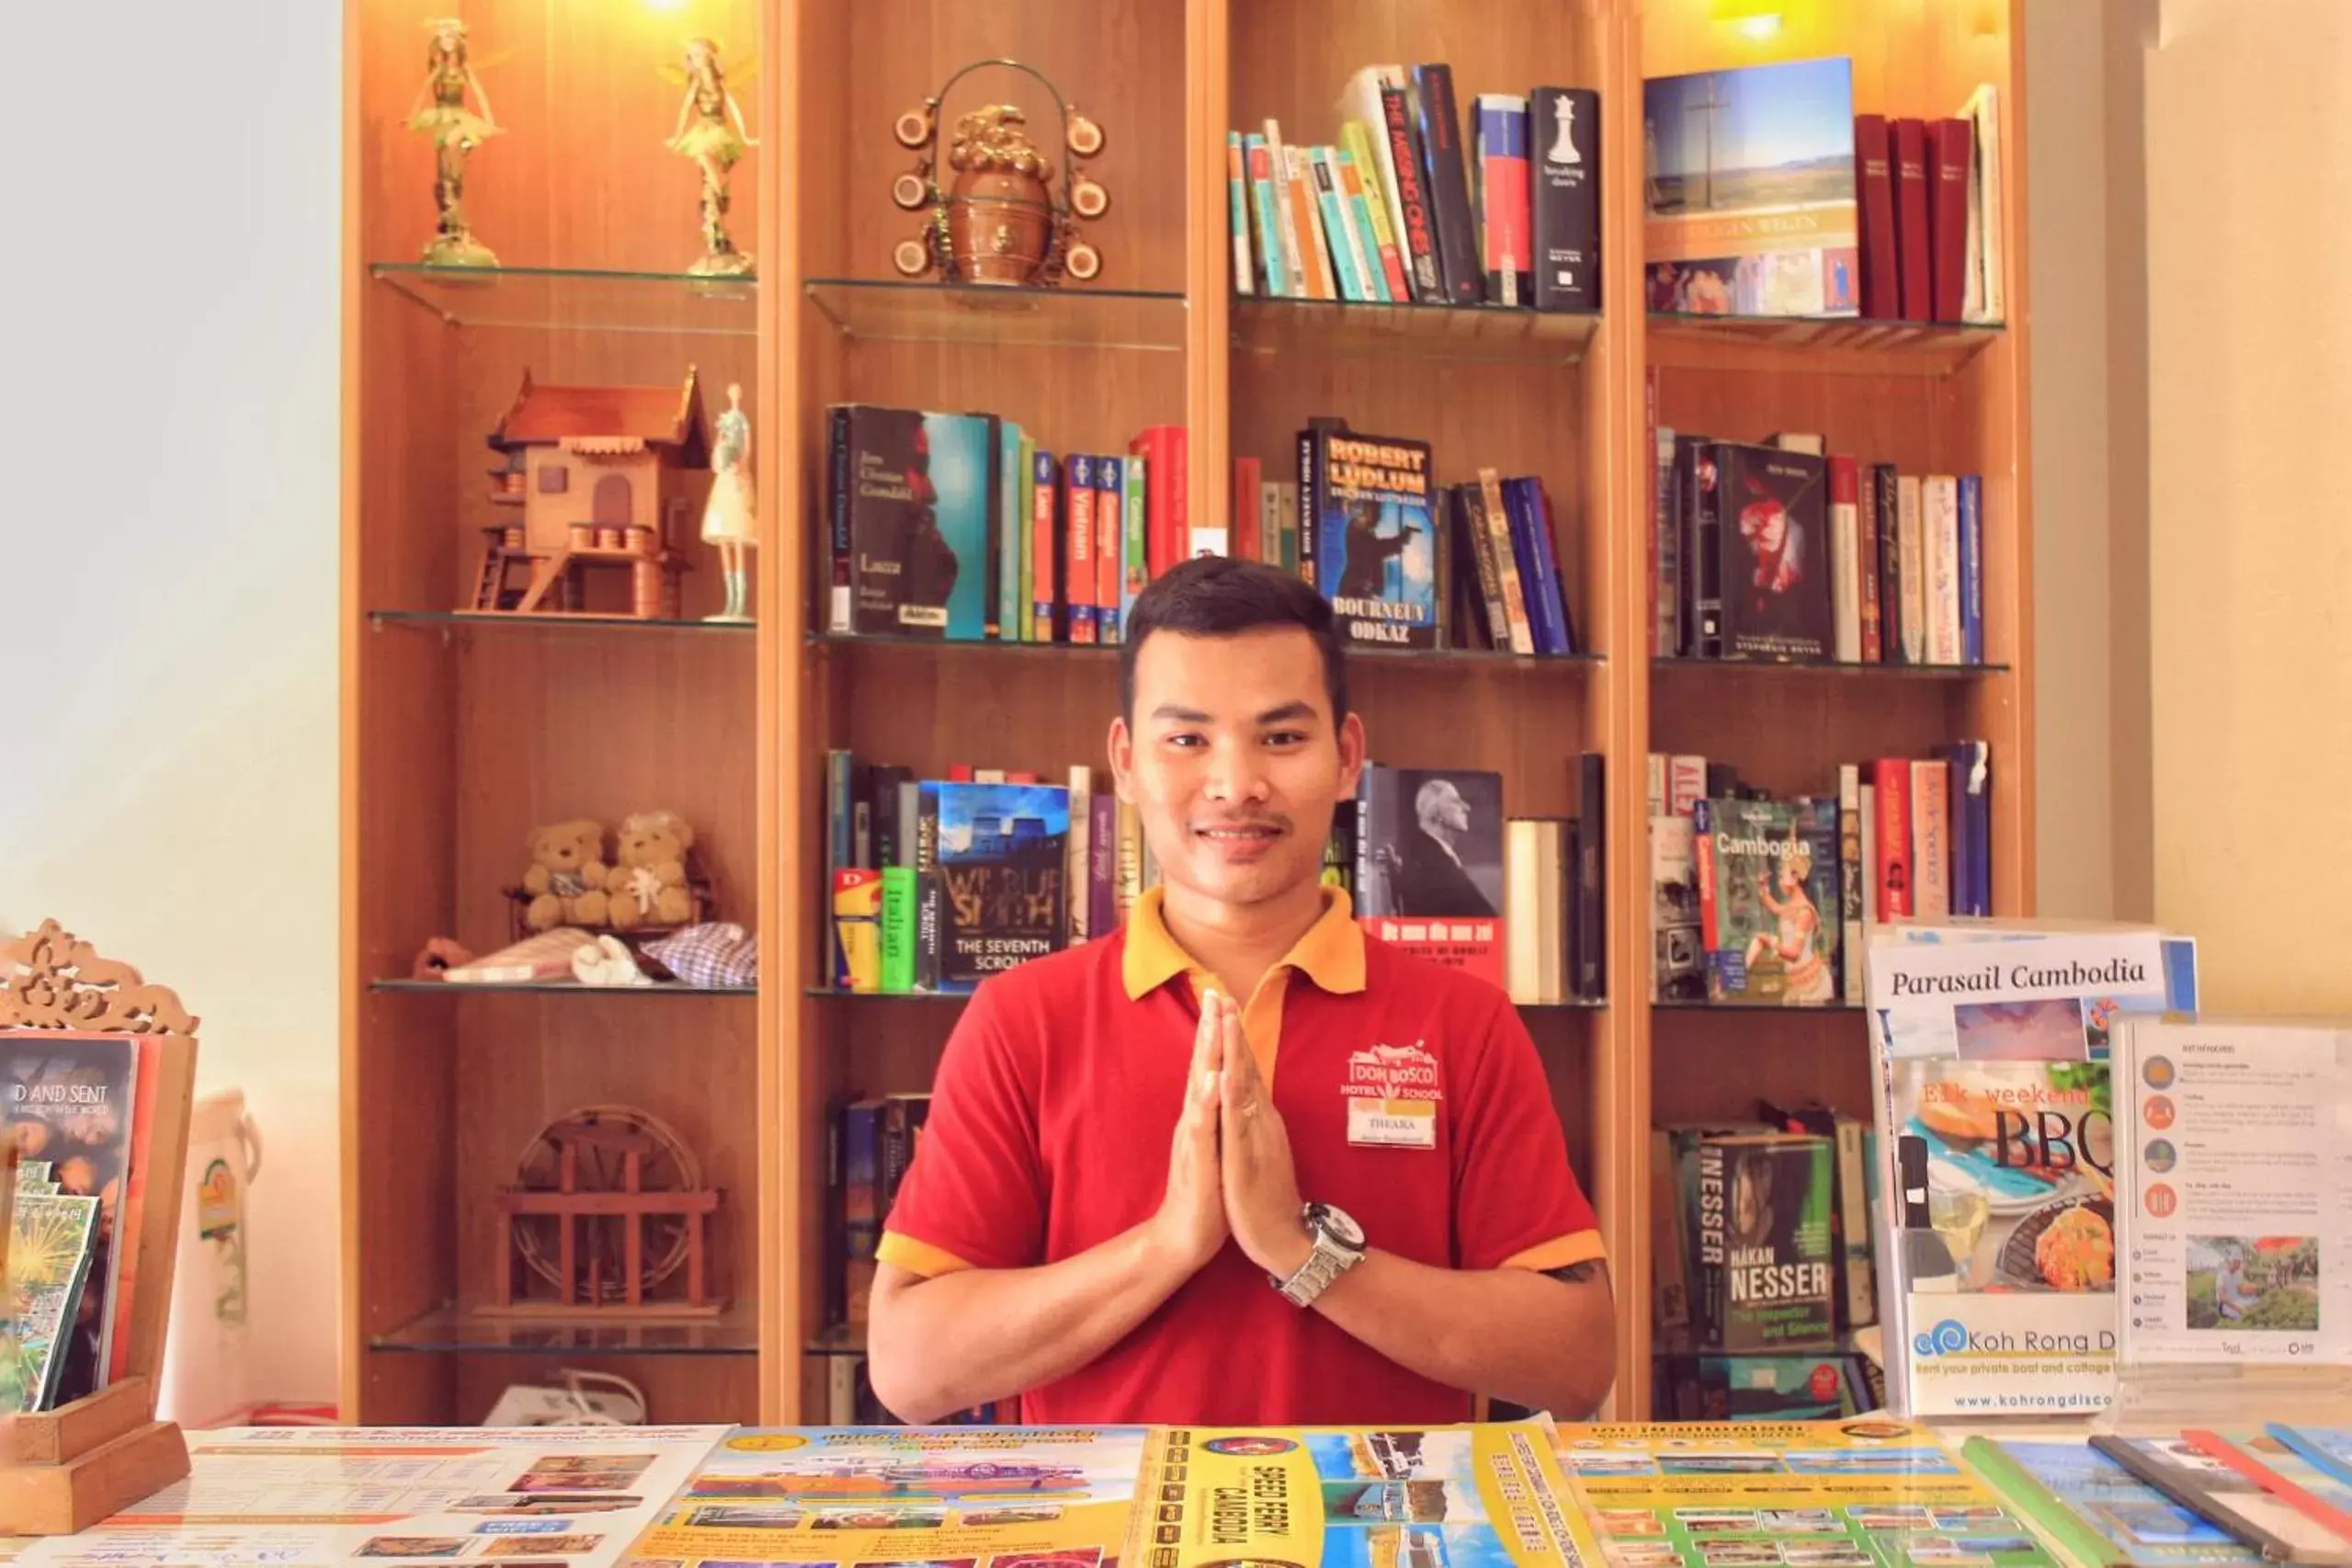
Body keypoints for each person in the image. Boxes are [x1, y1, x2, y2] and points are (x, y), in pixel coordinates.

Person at [866, 557, 1614, 1426]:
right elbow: (911, 1369)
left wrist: (1300, 1249)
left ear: (1347, 758)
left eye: (1282, 737)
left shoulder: (1461, 1022)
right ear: (1126, 761)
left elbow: (1576, 1359)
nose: (1235, 784)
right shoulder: (1022, 1019)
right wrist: (1170, 1244)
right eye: (1186, 740)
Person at [1381, 778, 1494, 917]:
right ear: (1437, 813)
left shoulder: (1436, 855)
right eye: (1455, 801)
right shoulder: (1431, 864)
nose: (1466, 808)